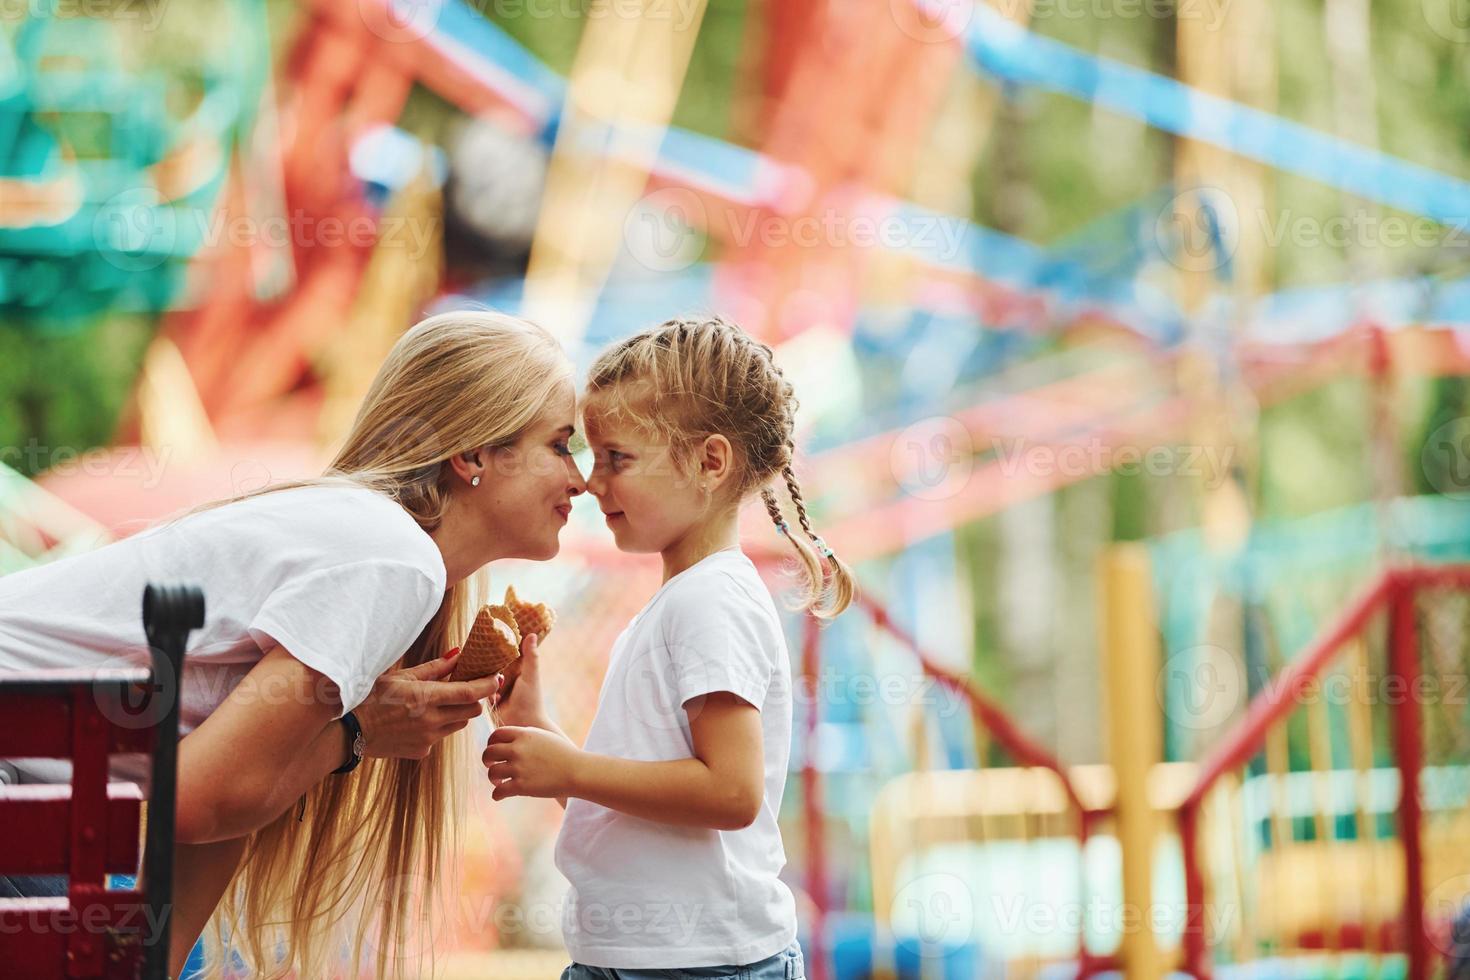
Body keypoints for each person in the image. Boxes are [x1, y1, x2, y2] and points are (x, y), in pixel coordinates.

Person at [0, 310, 588, 979]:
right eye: (561, 445)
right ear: (474, 454)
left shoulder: (372, 544)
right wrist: (356, 736)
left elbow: (218, 813)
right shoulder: (393, 559)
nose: (582, 480)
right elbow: (197, 801)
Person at [484, 315, 854, 978]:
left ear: (709, 462)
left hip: (703, 965)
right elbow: (641, 807)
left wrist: (569, 768)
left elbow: (730, 791)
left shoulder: (710, 602)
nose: (593, 483)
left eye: (617, 458)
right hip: (637, 960)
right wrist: (534, 726)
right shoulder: (680, 602)